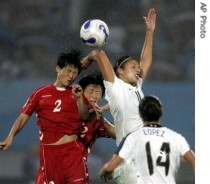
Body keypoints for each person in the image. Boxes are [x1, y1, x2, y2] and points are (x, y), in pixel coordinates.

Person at [81, 8, 156, 183]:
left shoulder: (136, 86)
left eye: (138, 68)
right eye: (132, 66)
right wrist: (88, 58)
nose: (138, 69)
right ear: (119, 72)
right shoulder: (116, 88)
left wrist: (149, 32)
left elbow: (146, 60)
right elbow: (99, 54)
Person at [0, 49, 93, 184]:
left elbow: (85, 117)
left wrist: (79, 99)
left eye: (75, 73)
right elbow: (22, 117)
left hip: (72, 151)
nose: (71, 76)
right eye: (68, 71)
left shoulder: (77, 93)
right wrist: (10, 137)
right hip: (49, 153)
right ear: (58, 69)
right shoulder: (40, 93)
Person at [99, 95, 195, 183]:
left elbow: (110, 167)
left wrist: (104, 172)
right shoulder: (175, 137)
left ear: (140, 114)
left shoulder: (133, 137)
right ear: (161, 113)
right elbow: (194, 161)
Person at [76, 74, 116, 182]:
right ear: (81, 92)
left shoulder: (98, 121)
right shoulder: (67, 110)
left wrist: (103, 119)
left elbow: (118, 134)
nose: (94, 95)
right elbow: (83, 116)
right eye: (90, 91)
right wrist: (104, 108)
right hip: (55, 166)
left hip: (78, 171)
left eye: (98, 92)